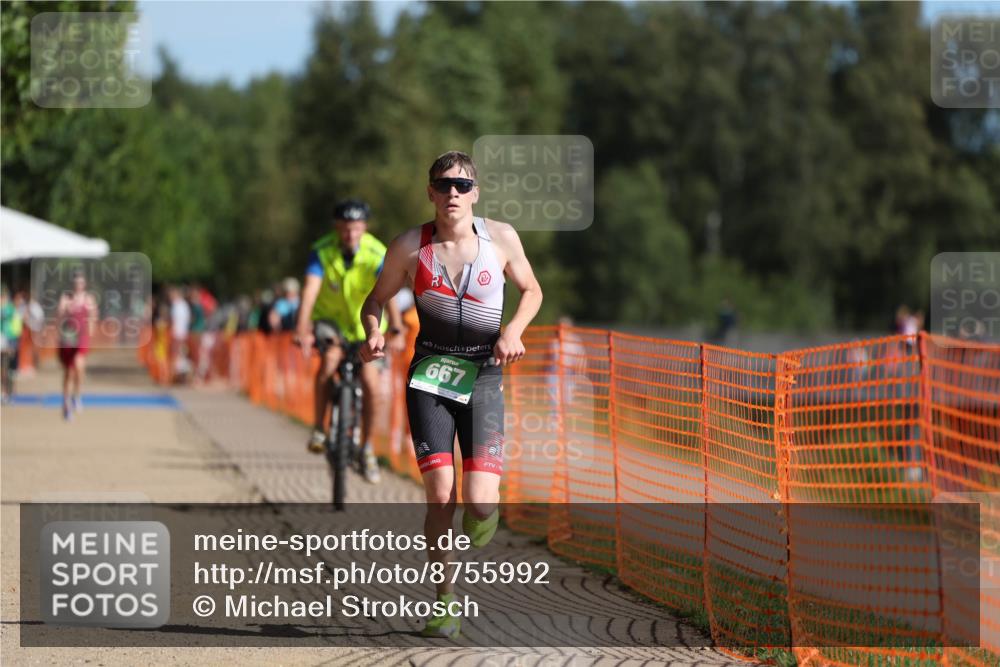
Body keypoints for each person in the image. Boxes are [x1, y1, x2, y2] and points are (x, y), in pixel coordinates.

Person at [358, 151, 543, 638]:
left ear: (475, 193)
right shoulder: (408, 246)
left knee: (479, 503)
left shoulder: (500, 238)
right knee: (441, 496)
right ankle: (445, 602)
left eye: (462, 185)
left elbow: (532, 291)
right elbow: (374, 300)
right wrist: (373, 332)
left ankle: (485, 511)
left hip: (483, 376)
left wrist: (514, 332)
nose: (453, 194)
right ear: (431, 193)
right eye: (444, 186)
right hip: (430, 379)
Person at [295, 199, 406, 484]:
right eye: (345, 228)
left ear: (364, 227)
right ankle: (319, 427)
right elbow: (309, 291)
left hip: (365, 326)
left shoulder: (377, 252)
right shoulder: (322, 251)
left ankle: (367, 448)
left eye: (356, 228)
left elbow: (388, 292)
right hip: (329, 322)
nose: (350, 234)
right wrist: (301, 327)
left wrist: (396, 327)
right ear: (337, 227)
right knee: (330, 360)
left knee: (370, 382)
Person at [57, 273, 97, 420]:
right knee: (69, 373)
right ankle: (66, 404)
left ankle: (77, 395)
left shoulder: (89, 298)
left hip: (82, 338)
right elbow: (59, 317)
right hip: (68, 338)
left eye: (81, 282)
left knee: (79, 368)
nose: (78, 285)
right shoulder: (66, 298)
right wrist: (65, 311)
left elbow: (93, 316)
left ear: (84, 284)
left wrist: (91, 330)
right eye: (76, 282)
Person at [1, 285, 23, 404]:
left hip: (12, 340)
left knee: (10, 368)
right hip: (5, 340)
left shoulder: (13, 309)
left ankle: (9, 392)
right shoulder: (7, 309)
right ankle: (5, 392)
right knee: (4, 367)